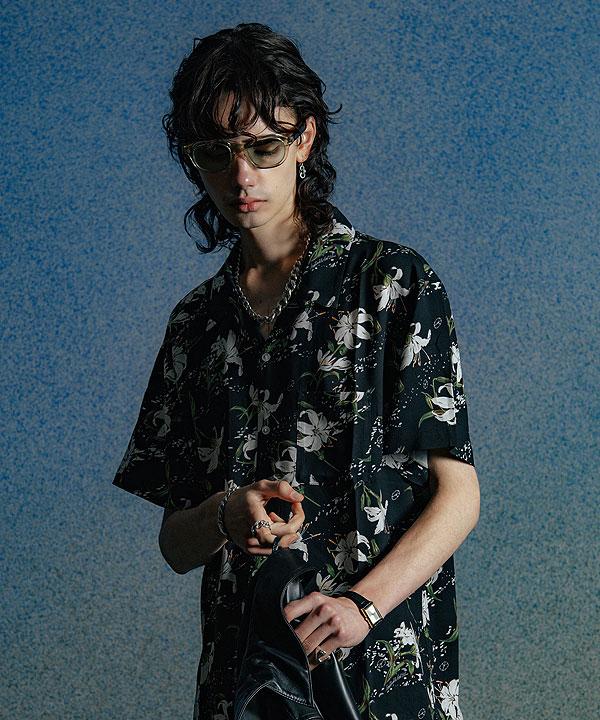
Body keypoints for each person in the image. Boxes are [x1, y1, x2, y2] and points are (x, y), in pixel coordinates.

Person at [112, 22, 480, 720]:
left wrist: (362, 606)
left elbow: (459, 496)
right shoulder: (195, 325)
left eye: (263, 147)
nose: (241, 176)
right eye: (215, 153)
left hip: (380, 666)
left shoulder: (392, 283)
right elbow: (175, 545)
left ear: (305, 138)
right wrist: (226, 513)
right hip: (245, 676)